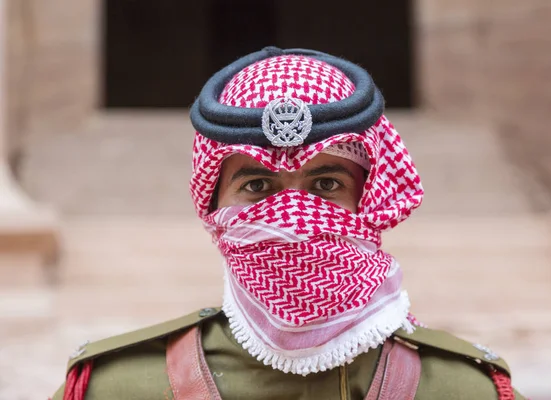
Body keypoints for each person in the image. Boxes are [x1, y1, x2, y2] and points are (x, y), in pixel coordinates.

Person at [52, 47, 525, 400]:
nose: (293, 218)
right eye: (257, 187)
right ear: (214, 208)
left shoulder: (468, 390)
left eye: (326, 185)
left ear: (371, 200)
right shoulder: (116, 389)